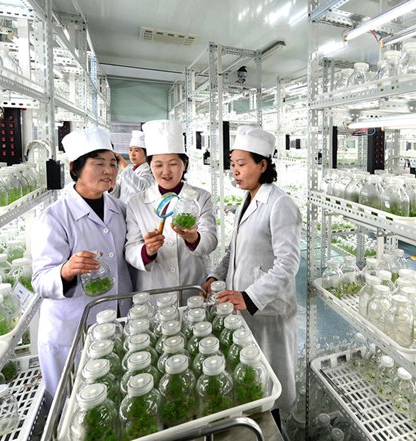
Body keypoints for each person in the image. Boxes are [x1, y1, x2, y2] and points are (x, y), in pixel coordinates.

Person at [202, 126, 301, 416]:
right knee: (252, 379)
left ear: (263, 165)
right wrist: (216, 275)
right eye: (232, 164)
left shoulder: (280, 204)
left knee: (271, 385)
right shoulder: (246, 200)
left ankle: (274, 426)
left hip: (268, 311)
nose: (235, 170)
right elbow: (233, 250)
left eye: (242, 164)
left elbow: (288, 263)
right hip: (244, 307)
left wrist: (250, 297)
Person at [31, 126, 133, 397]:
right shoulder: (54, 217)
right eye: (98, 164)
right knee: (72, 402)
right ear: (75, 168)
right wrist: (66, 271)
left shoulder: (120, 209)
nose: (108, 171)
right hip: (73, 328)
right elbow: (40, 281)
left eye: (113, 163)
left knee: (111, 396)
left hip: (115, 320)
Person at [125, 120, 217, 292]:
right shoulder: (136, 203)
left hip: (193, 285)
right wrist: (147, 251)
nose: (166, 171)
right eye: (158, 165)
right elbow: (130, 248)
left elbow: (211, 241)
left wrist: (193, 238)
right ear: (150, 166)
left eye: (173, 164)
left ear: (184, 164)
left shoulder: (201, 197)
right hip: (154, 289)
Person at [111, 130, 155, 204]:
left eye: (136, 150)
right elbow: (117, 194)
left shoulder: (149, 171)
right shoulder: (130, 170)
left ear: (146, 153)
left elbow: (142, 190)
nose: (132, 154)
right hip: (122, 208)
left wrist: (124, 165)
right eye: (130, 150)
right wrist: (112, 186)